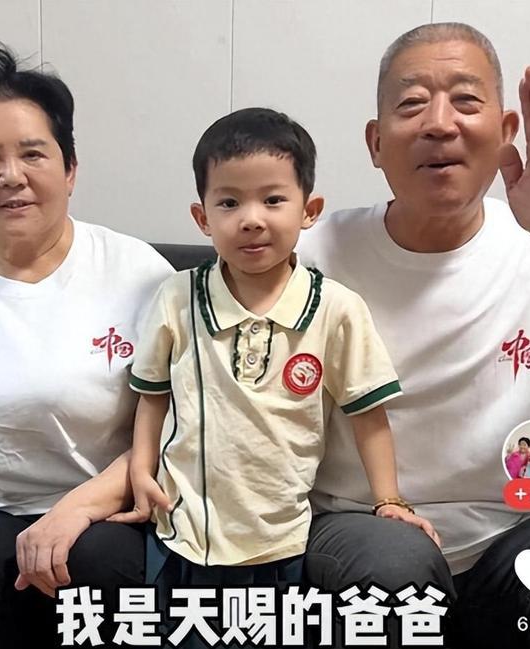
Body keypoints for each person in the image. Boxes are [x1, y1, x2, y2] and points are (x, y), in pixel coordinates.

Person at [106, 108, 438, 631]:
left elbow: (368, 415)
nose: (252, 219)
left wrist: (389, 500)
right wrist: (142, 474)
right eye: (229, 202)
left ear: (309, 210)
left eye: (273, 200)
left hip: (282, 539)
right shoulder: (177, 297)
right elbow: (153, 396)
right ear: (202, 218)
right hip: (183, 533)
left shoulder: (336, 309)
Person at [297, 22, 530, 649]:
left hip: (517, 532)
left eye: (466, 101)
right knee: (394, 568)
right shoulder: (311, 257)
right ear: (375, 143)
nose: (440, 124)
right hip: (361, 525)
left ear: (505, 131)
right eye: (413, 103)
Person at [0, 45, 173, 648]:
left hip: (118, 503)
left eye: (32, 153)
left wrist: (75, 510)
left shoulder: (138, 273)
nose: (10, 176)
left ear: (69, 169)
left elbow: (184, 427)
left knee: (99, 567)